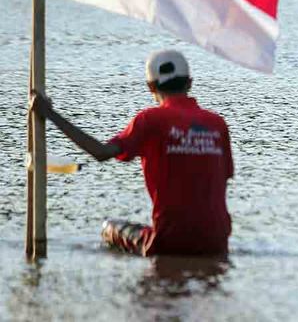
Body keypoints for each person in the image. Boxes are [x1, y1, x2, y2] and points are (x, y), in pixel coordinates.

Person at [29, 49, 233, 257]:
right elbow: (222, 178)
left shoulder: (150, 120)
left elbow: (100, 152)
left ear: (151, 87)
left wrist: (50, 114)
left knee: (110, 228)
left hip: (169, 241)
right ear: (189, 83)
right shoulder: (217, 124)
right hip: (216, 241)